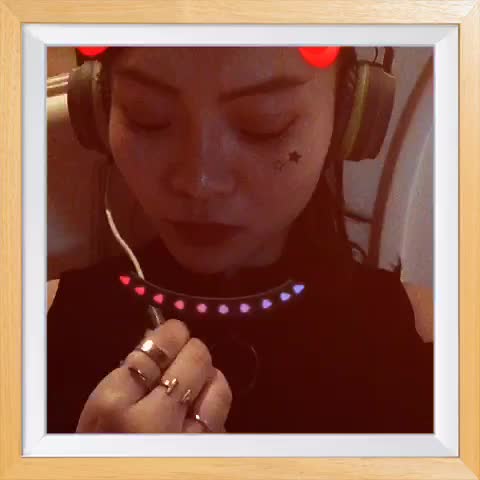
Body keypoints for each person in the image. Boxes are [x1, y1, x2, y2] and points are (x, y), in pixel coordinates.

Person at [47, 46, 434, 434]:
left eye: (265, 124)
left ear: (349, 117)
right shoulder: (33, 330)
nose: (199, 183)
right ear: (98, 109)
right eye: (147, 116)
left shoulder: (435, 343)